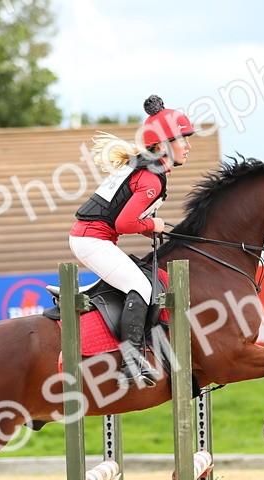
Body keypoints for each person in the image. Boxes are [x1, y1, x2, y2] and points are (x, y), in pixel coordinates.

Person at [69, 95, 194, 387]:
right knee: (141, 286)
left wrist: (147, 227)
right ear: (163, 145)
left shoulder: (147, 169)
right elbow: (124, 222)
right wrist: (154, 224)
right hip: (91, 240)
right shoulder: (151, 177)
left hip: (95, 238)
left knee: (142, 281)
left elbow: (121, 215)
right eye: (182, 140)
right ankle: (131, 360)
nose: (188, 146)